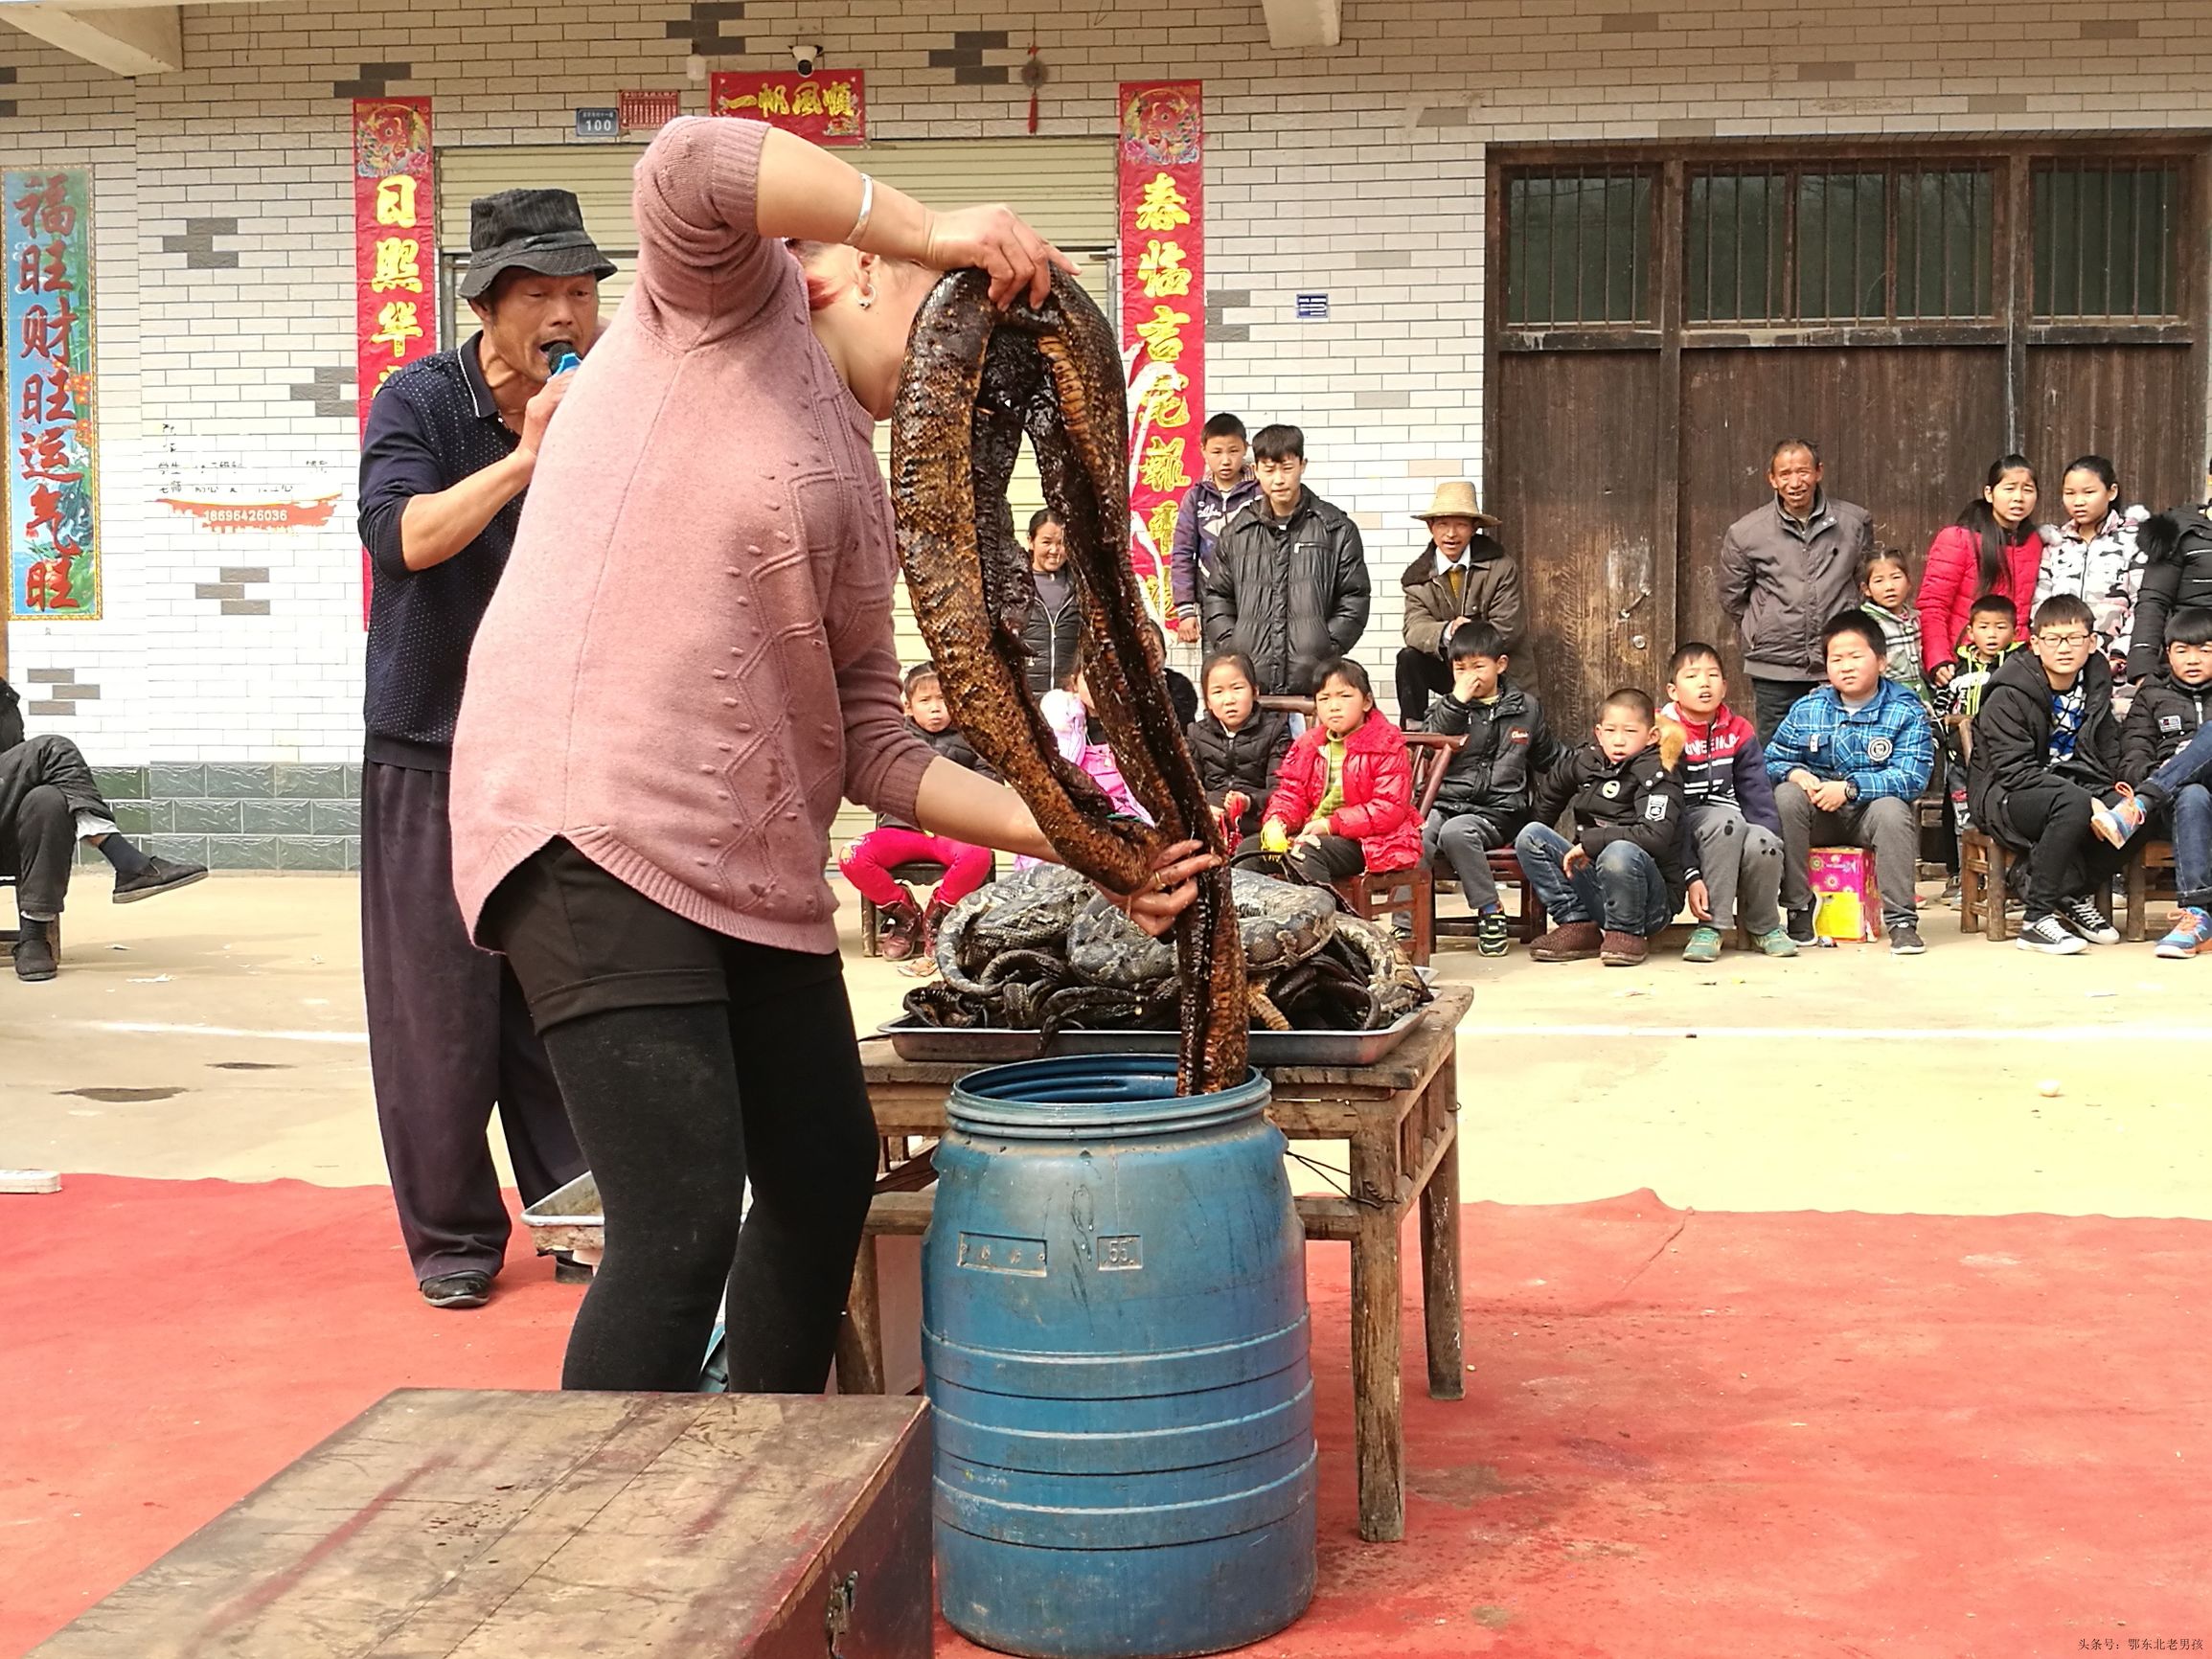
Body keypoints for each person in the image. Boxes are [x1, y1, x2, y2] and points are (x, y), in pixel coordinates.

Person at [447, 118, 1209, 1392]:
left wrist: (1079, 842)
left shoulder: (863, 486)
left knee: (816, 1178)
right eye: (946, 304)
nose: (965, 350)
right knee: (680, 1220)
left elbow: (871, 738)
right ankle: (607, 1563)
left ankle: (770, 1505)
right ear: (852, 268)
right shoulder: (728, 303)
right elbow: (687, 162)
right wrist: (926, 223)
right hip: (592, 821)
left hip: (748, 862)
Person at [355, 188, 609, 1310]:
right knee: (436, 1010)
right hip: (430, 743)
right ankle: (454, 1240)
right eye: (542, 295)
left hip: (557, 750)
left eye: (581, 293)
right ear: (486, 303)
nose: (567, 316)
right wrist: (523, 458)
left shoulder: (609, 398)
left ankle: (580, 1210)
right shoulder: (419, 399)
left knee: (565, 995)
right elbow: (402, 538)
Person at [1966, 594, 2132, 955]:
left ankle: (2066, 894)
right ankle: (2036, 919)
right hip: (2005, 795)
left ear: (2091, 643)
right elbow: (2014, 770)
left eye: (2074, 639)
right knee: (2072, 803)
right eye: (2053, 639)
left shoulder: (2095, 681)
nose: (2064, 648)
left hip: (2073, 784)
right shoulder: (2009, 692)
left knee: (2135, 810)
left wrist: (2122, 794)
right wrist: (2087, 800)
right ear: (2036, 644)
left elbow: (2107, 751)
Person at [0, 694, 207, 982]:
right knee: (52, 749)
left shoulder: (4, 704)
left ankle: (34, 936)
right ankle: (125, 858)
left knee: (47, 800)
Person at [1765, 611, 1937, 955]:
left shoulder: (1906, 710)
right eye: (1836, 659)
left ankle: (1902, 921)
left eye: (1856, 656)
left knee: (1892, 809)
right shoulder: (1808, 708)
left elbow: (1912, 776)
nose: (1846, 666)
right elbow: (1771, 758)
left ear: (1882, 662)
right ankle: (1799, 911)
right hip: (1820, 816)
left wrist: (1849, 789)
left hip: (1867, 816)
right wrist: (1795, 774)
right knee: (1786, 795)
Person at [1515, 688, 1687, 967]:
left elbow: (1655, 836)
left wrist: (1592, 842)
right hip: (1597, 887)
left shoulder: (1659, 773)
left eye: (1630, 732)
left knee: (1617, 851)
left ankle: (1625, 932)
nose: (1618, 741)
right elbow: (1551, 794)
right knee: (1531, 837)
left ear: (1651, 736)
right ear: (1598, 732)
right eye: (1610, 731)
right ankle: (1578, 924)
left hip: (1648, 905)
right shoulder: (1587, 760)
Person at [836, 665, 992, 966]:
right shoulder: (893, 737)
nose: (935, 709)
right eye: (925, 701)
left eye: (943, 699)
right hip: (902, 827)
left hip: (953, 830)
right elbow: (875, 778)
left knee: (978, 855)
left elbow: (990, 783)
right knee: (852, 856)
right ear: (907, 705)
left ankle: (939, 915)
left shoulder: (974, 736)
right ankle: (904, 915)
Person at [1718, 438, 1874, 738]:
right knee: (1777, 749)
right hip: (1775, 663)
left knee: (1842, 743)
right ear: (1772, 479)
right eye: (1785, 474)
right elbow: (1732, 595)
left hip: (1837, 658)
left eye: (1802, 471)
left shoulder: (1853, 522)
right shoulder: (1747, 532)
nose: (1795, 482)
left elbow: (1861, 579)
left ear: (1818, 472)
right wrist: (1763, 627)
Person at [1423, 621, 1560, 957]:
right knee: (1416, 835)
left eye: (1478, 666)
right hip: (1447, 802)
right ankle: (1407, 919)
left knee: (1457, 832)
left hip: (1499, 810)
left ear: (1500, 665)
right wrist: (1456, 702)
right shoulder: (1447, 707)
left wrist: (1590, 763)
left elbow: (1550, 758)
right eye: (1460, 668)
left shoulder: (1525, 708)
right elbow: (1429, 746)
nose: (1470, 675)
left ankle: (1490, 912)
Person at [1201, 423, 1369, 697]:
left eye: (1286, 468)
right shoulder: (1237, 532)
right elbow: (1217, 596)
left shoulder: (1335, 528)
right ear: (1255, 470)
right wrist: (1234, 647)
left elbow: (1355, 597)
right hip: (1253, 681)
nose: (1278, 479)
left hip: (1315, 682)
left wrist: (1325, 647)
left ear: (1303, 465)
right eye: (1269, 469)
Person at [1660, 644, 1793, 963]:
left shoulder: (1739, 731)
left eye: (1712, 675)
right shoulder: (1664, 731)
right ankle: (1713, 925)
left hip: (1730, 822)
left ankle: (1764, 924)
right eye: (1692, 676)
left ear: (1725, 686)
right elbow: (1668, 805)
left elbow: (1757, 794)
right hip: (1681, 823)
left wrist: (1772, 840)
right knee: (1725, 821)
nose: (1704, 683)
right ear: (1673, 690)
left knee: (1763, 840)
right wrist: (1690, 872)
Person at [1257, 658, 1420, 883]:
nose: (1334, 706)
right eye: (1324, 699)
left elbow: (1388, 809)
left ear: (1367, 701)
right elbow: (1292, 794)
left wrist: (1331, 824)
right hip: (1315, 834)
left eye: (1344, 696)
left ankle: (1323, 918)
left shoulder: (1386, 743)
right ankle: (1258, 918)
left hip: (1370, 842)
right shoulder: (1309, 744)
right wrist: (1278, 820)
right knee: (1251, 851)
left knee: (1307, 854)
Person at [2110, 605, 2212, 957]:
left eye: (2205, 650)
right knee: (2193, 794)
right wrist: (2169, 766)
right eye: (2182, 650)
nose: (2193, 659)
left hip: (2157, 798)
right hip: (2179, 807)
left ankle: (2140, 803)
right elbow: (2132, 759)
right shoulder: (2151, 695)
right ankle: (2197, 916)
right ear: (2168, 654)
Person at [1394, 481, 1523, 727]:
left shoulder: (1501, 567)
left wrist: (1469, 636)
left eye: (1461, 524)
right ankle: (1414, 732)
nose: (1451, 534)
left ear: (1474, 528)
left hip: (1494, 667)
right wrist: (1447, 631)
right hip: (1451, 665)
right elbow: (1414, 628)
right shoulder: (1417, 577)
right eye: (1442, 524)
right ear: (1431, 527)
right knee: (1408, 658)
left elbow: (1509, 626)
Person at [1916, 454, 2040, 683]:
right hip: (1964, 663)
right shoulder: (1958, 539)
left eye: (2027, 490)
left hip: (2016, 665)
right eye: (2009, 488)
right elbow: (1933, 605)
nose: (2018, 498)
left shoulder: (2034, 543)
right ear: (1989, 494)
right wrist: (1939, 658)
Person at [2034, 455, 2149, 692]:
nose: (2078, 501)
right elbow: (2040, 605)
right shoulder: (2056, 544)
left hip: (2117, 671)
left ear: (2111, 492)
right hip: (2061, 668)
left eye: (2088, 492)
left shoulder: (2135, 539)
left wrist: (2120, 655)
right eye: (2070, 493)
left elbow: (2144, 604)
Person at [1933, 592, 2025, 831]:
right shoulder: (1959, 670)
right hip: (1960, 759)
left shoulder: (2018, 667)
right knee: (1964, 820)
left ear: (2015, 633)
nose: (1992, 634)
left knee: (1999, 814)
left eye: (2000, 627)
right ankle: (1964, 867)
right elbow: (1942, 707)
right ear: (1971, 632)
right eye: (1984, 627)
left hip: (2000, 757)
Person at [1168, 413, 1259, 646]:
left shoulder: (1259, 492)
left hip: (1258, 599)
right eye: (1217, 452)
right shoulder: (1196, 497)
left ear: (1245, 448)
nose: (1226, 460)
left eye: (1233, 451)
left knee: (1257, 668)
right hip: (1213, 602)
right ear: (1204, 451)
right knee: (1219, 668)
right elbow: (1182, 552)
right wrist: (1186, 611)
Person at [1186, 649, 1291, 849]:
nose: (1229, 700)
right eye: (1218, 692)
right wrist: (1205, 808)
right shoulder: (1195, 734)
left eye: (1237, 688)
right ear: (1208, 701)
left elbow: (1282, 791)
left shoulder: (1275, 731)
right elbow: (1188, 788)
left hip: (1256, 824)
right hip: (1209, 822)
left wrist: (1248, 802)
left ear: (1255, 691)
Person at [2128, 461, 2212, 678]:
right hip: (2190, 664)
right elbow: (2153, 603)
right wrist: (2142, 674)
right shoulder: (2181, 530)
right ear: (2210, 479)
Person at [1017, 508, 1080, 696]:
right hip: (1027, 696)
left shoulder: (1080, 585)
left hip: (1069, 700)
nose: (1054, 551)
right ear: (1031, 541)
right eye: (1046, 542)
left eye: (1061, 543)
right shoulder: (1015, 584)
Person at [1859, 547, 1929, 704]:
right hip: (1886, 697)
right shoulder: (1867, 623)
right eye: (1879, 581)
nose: (1889, 587)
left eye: (1896, 577)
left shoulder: (1915, 619)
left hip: (1919, 694)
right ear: (1867, 589)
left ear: (1909, 582)